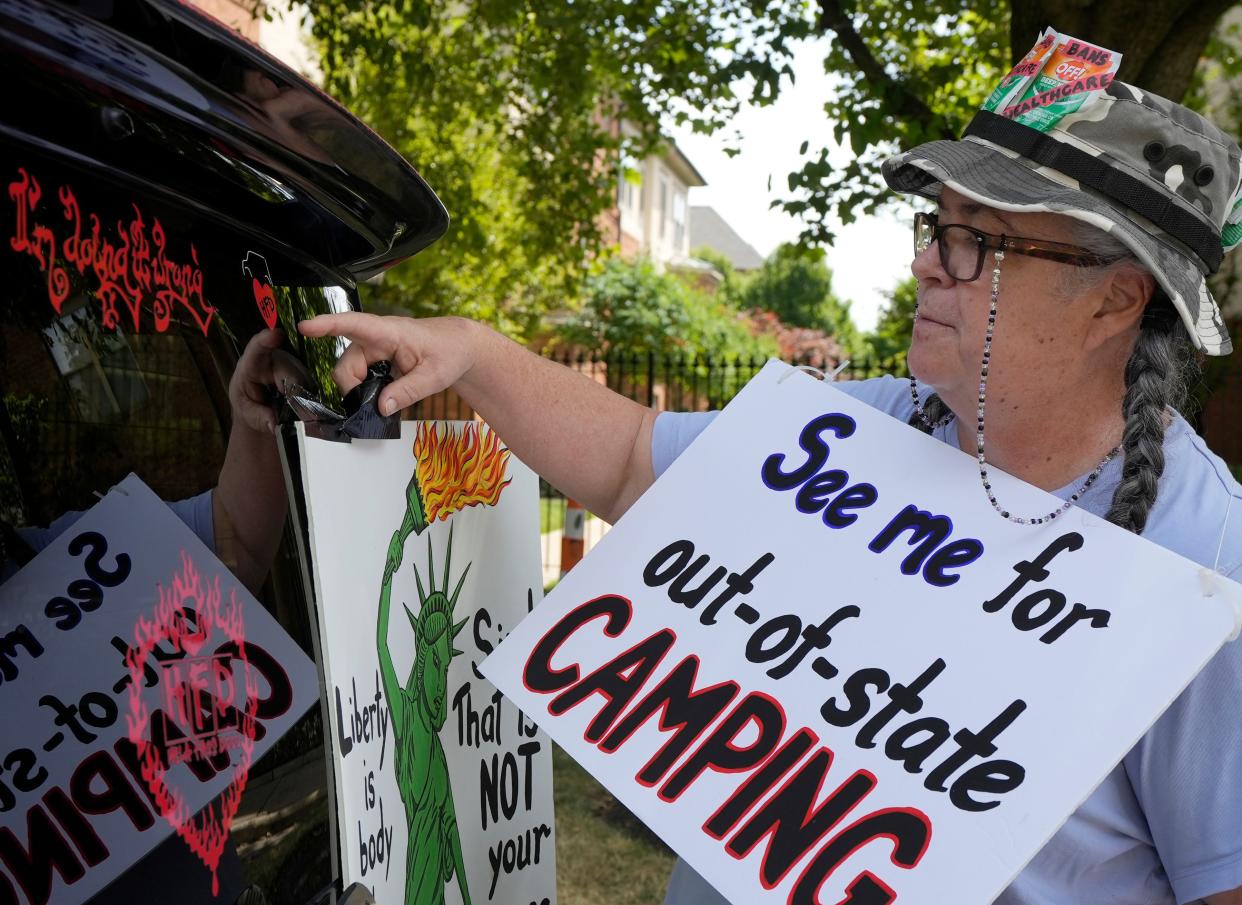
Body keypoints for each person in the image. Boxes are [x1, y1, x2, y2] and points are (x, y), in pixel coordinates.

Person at [300, 80, 1242, 904]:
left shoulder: (1208, 565)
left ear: (1115, 302)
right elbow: (634, 460)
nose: (926, 262)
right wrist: (475, 351)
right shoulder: (858, 427)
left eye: (976, 241)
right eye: (935, 227)